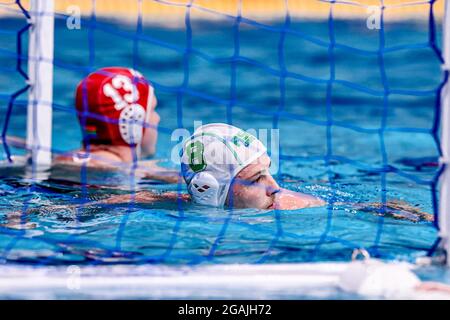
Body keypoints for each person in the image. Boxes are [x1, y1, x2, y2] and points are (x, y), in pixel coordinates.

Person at [53, 67, 177, 183]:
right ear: (132, 121)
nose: (157, 118)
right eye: (152, 110)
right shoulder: (121, 169)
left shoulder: (61, 159)